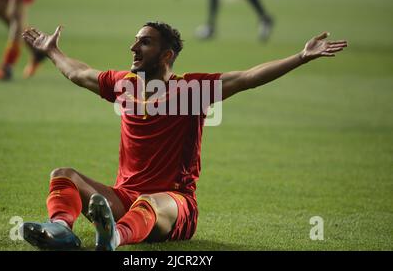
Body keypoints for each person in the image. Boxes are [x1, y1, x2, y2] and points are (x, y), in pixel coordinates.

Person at [20, 22, 347, 250]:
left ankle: (113, 237)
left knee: (150, 202)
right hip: (124, 196)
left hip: (174, 206)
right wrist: (52, 51)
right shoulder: (125, 85)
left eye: (144, 42)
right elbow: (79, 73)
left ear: (166, 55)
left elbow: (247, 77)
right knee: (63, 176)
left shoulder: (192, 90)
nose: (133, 46)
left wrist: (301, 57)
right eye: (135, 40)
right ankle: (61, 229)